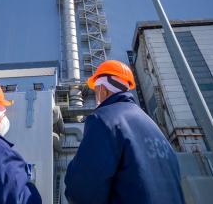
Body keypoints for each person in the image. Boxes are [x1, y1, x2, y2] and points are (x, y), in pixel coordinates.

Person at [64, 60, 185, 204]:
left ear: (103, 89)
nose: (97, 95)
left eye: (96, 90)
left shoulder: (104, 119)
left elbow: (81, 190)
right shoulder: (154, 128)